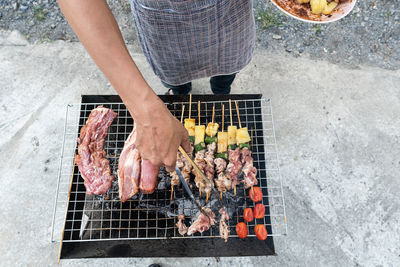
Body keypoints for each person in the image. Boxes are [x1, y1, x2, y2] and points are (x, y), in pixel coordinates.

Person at [58, 0, 255, 171]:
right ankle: (179, 92)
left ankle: (221, 93)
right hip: (163, 26)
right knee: (174, 77)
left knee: (226, 74)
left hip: (230, 20)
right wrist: (144, 109)